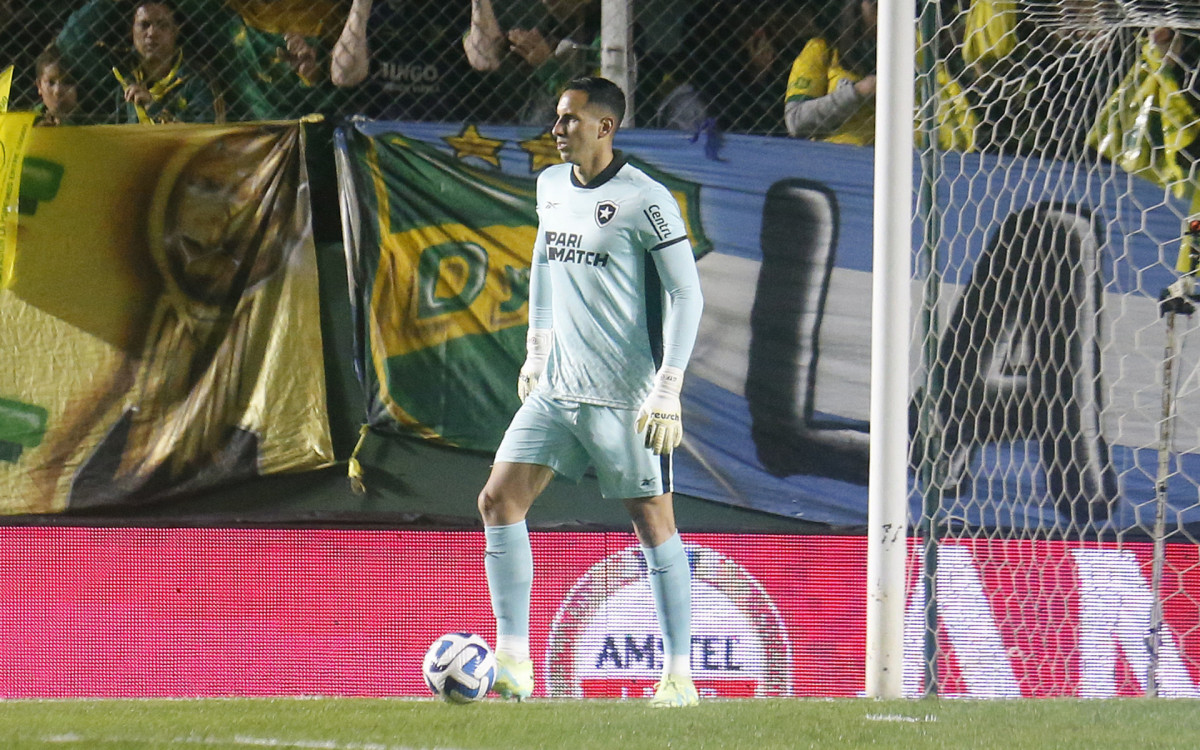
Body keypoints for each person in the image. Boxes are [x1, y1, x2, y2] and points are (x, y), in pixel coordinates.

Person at [479, 76, 704, 707]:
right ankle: (514, 661)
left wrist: (668, 386)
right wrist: (537, 346)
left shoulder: (647, 200)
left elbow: (688, 295)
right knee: (498, 501)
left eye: (571, 119)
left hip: (625, 396)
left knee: (653, 522)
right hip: (557, 389)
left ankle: (680, 675)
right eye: (557, 117)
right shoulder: (551, 186)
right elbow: (545, 266)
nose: (558, 128)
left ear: (604, 127)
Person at [331, 0, 480, 122]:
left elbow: (484, 60)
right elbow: (343, 75)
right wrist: (361, 5)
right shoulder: (370, 10)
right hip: (379, 126)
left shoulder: (455, 7)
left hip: (444, 126)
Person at [463, 0, 601, 125]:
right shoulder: (531, 17)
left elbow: (595, 109)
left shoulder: (607, 34)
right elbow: (484, 58)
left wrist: (546, 65)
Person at [111, 1, 222, 124]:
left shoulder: (197, 78)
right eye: (144, 25)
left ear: (176, 31)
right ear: (131, 31)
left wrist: (154, 109)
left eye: (162, 25)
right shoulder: (124, 78)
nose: (152, 33)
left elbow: (206, 134)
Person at [783, 0, 877, 144]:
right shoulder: (822, 49)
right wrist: (857, 92)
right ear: (855, 6)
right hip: (838, 155)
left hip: (910, 154)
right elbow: (795, 120)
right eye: (875, 5)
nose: (884, 13)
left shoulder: (918, 46)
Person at [33, 45, 80, 126]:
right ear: (39, 86)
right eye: (51, 83)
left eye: (67, 82)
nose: (57, 91)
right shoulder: (28, 121)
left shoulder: (95, 124)